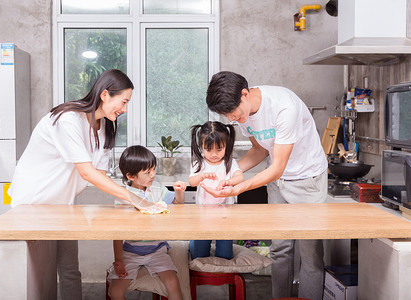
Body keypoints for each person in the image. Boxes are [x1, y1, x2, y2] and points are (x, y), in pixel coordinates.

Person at [8, 69, 157, 300]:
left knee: (69, 269)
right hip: (32, 203)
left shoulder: (106, 128)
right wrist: (134, 198)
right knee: (33, 273)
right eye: (124, 102)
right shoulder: (68, 119)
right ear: (105, 94)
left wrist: (133, 199)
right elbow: (87, 173)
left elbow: (99, 175)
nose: (125, 109)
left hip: (63, 203)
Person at [202, 71, 328, 300]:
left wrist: (238, 188)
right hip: (277, 182)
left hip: (306, 179)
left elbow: (277, 166)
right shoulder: (244, 114)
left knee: (309, 255)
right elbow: (260, 149)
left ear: (244, 94)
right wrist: (232, 173)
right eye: (226, 115)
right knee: (280, 249)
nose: (231, 119)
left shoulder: (284, 107)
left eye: (232, 113)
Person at [109, 145, 186, 300]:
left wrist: (179, 191)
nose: (153, 175)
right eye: (147, 172)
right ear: (130, 176)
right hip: (130, 252)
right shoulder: (124, 196)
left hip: (157, 250)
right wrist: (118, 259)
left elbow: (178, 204)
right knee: (115, 292)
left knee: (173, 283)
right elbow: (117, 231)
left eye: (153, 169)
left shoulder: (157, 188)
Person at [188, 121, 244, 260]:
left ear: (227, 146)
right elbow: (192, 182)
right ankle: (193, 244)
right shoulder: (199, 163)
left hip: (226, 216)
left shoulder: (229, 163)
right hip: (203, 215)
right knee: (199, 253)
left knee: (225, 253)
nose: (214, 154)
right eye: (208, 149)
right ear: (201, 147)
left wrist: (229, 181)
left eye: (219, 149)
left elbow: (240, 177)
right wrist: (202, 175)